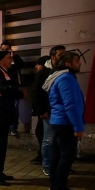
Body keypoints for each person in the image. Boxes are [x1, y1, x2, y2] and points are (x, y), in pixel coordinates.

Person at [42, 52, 84, 190]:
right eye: (77, 61)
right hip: (65, 123)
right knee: (66, 157)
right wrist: (78, 127)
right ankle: (59, 189)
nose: (80, 63)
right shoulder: (66, 78)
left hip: (59, 122)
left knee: (57, 155)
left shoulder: (60, 77)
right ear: (68, 64)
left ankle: (55, 185)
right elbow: (71, 105)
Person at [0, 50, 25, 186]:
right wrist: (19, 94)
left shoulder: (2, 71)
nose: (11, 60)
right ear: (1, 60)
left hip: (1, 115)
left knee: (1, 146)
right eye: (9, 58)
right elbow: (3, 89)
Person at [31, 46, 66, 176]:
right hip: (48, 111)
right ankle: (47, 165)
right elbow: (36, 93)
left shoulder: (63, 71)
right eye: (60, 54)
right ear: (52, 56)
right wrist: (41, 110)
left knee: (58, 140)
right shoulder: (43, 72)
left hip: (59, 111)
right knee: (48, 139)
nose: (63, 57)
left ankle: (58, 165)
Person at [0, 41, 25, 137]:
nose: (5, 51)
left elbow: (21, 66)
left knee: (14, 107)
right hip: (3, 86)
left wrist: (12, 57)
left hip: (14, 86)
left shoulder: (15, 58)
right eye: (3, 49)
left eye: (7, 49)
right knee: (2, 107)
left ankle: (13, 128)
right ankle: (2, 127)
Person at [30, 55, 50, 165]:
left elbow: (37, 93)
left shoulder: (43, 75)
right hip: (43, 110)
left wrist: (41, 110)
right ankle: (42, 155)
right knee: (41, 132)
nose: (36, 66)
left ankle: (44, 156)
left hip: (45, 111)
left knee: (42, 133)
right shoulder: (44, 74)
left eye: (38, 64)